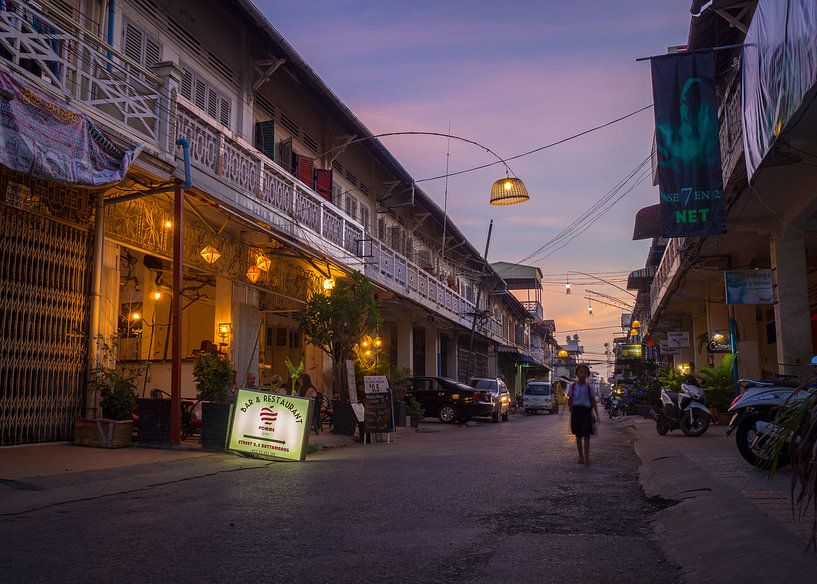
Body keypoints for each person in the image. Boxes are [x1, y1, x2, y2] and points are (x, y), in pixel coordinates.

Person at [568, 364, 600, 465]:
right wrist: (570, 408)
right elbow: (570, 399)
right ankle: (581, 457)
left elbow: (593, 401)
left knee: (586, 436)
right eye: (581, 372)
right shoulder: (572, 387)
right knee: (578, 436)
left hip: (587, 412)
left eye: (585, 372)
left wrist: (597, 414)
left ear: (588, 375)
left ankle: (587, 458)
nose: (583, 374)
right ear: (577, 374)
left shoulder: (589, 387)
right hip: (576, 412)